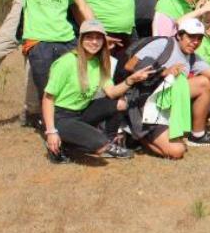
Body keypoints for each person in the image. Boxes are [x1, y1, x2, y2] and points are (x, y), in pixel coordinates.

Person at [127, 18, 210, 147]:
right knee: (204, 84)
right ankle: (136, 131)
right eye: (191, 37)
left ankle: (197, 135)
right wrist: (161, 72)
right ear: (179, 35)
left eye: (199, 38)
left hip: (165, 99)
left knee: (177, 150)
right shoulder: (163, 44)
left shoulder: (193, 58)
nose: (195, 42)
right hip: (143, 98)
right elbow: (129, 66)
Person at [42, 20, 156, 163]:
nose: (94, 42)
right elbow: (48, 99)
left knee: (120, 103)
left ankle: (108, 141)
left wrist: (131, 80)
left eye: (98, 38)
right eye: (89, 37)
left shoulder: (100, 63)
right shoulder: (66, 63)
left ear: (103, 41)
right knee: (99, 145)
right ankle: (61, 142)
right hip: (61, 116)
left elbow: (111, 92)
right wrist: (51, 131)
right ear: (81, 39)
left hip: (82, 111)